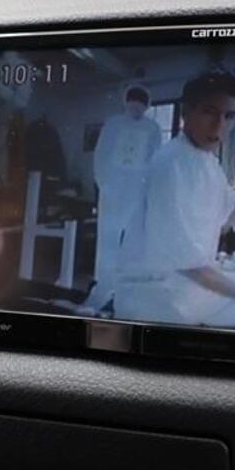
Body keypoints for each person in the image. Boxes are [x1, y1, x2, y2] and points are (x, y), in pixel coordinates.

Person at [114, 71, 235, 330]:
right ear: (186, 113)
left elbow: (233, 216)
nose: (219, 125)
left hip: (186, 286)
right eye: (209, 112)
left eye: (229, 116)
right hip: (154, 293)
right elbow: (185, 261)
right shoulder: (171, 163)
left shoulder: (208, 163)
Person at [84, 83, 162, 312]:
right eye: (133, 105)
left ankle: (129, 288)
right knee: (108, 239)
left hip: (138, 190)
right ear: (126, 103)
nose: (136, 110)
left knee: (136, 240)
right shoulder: (113, 124)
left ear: (147, 107)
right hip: (113, 190)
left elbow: (155, 159)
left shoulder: (152, 128)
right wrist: (105, 184)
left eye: (141, 106)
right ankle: (103, 286)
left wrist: (148, 190)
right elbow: (101, 154)